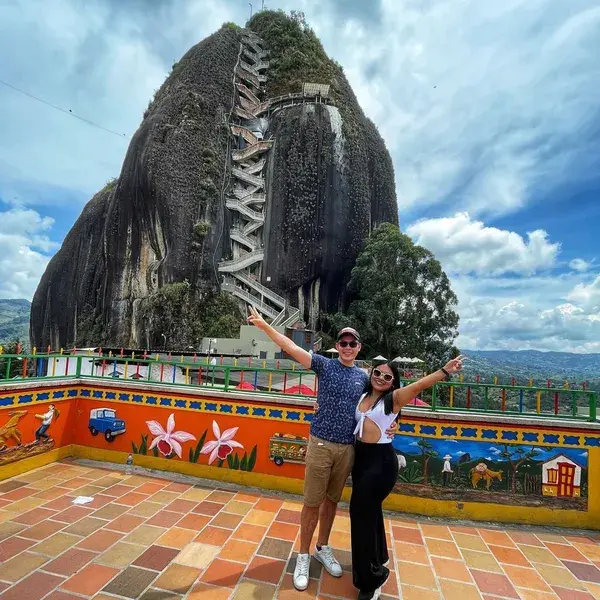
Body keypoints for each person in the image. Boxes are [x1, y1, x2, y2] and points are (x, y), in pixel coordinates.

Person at [246, 306, 397, 591]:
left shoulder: (365, 378)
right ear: (337, 346)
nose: (348, 347)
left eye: (353, 343)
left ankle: (322, 547)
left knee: (332, 502)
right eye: (344, 343)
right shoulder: (324, 365)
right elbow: (289, 346)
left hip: (348, 449)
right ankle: (303, 555)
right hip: (320, 443)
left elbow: (388, 401)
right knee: (311, 503)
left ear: (359, 347)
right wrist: (265, 326)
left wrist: (396, 425)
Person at [350, 356, 464, 600]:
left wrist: (445, 370)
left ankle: (371, 579)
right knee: (370, 512)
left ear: (393, 383)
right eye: (377, 373)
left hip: (380, 463)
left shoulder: (394, 398)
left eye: (387, 376)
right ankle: (378, 556)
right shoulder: (363, 396)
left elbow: (419, 385)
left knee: (360, 515)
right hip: (361, 459)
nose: (381, 378)